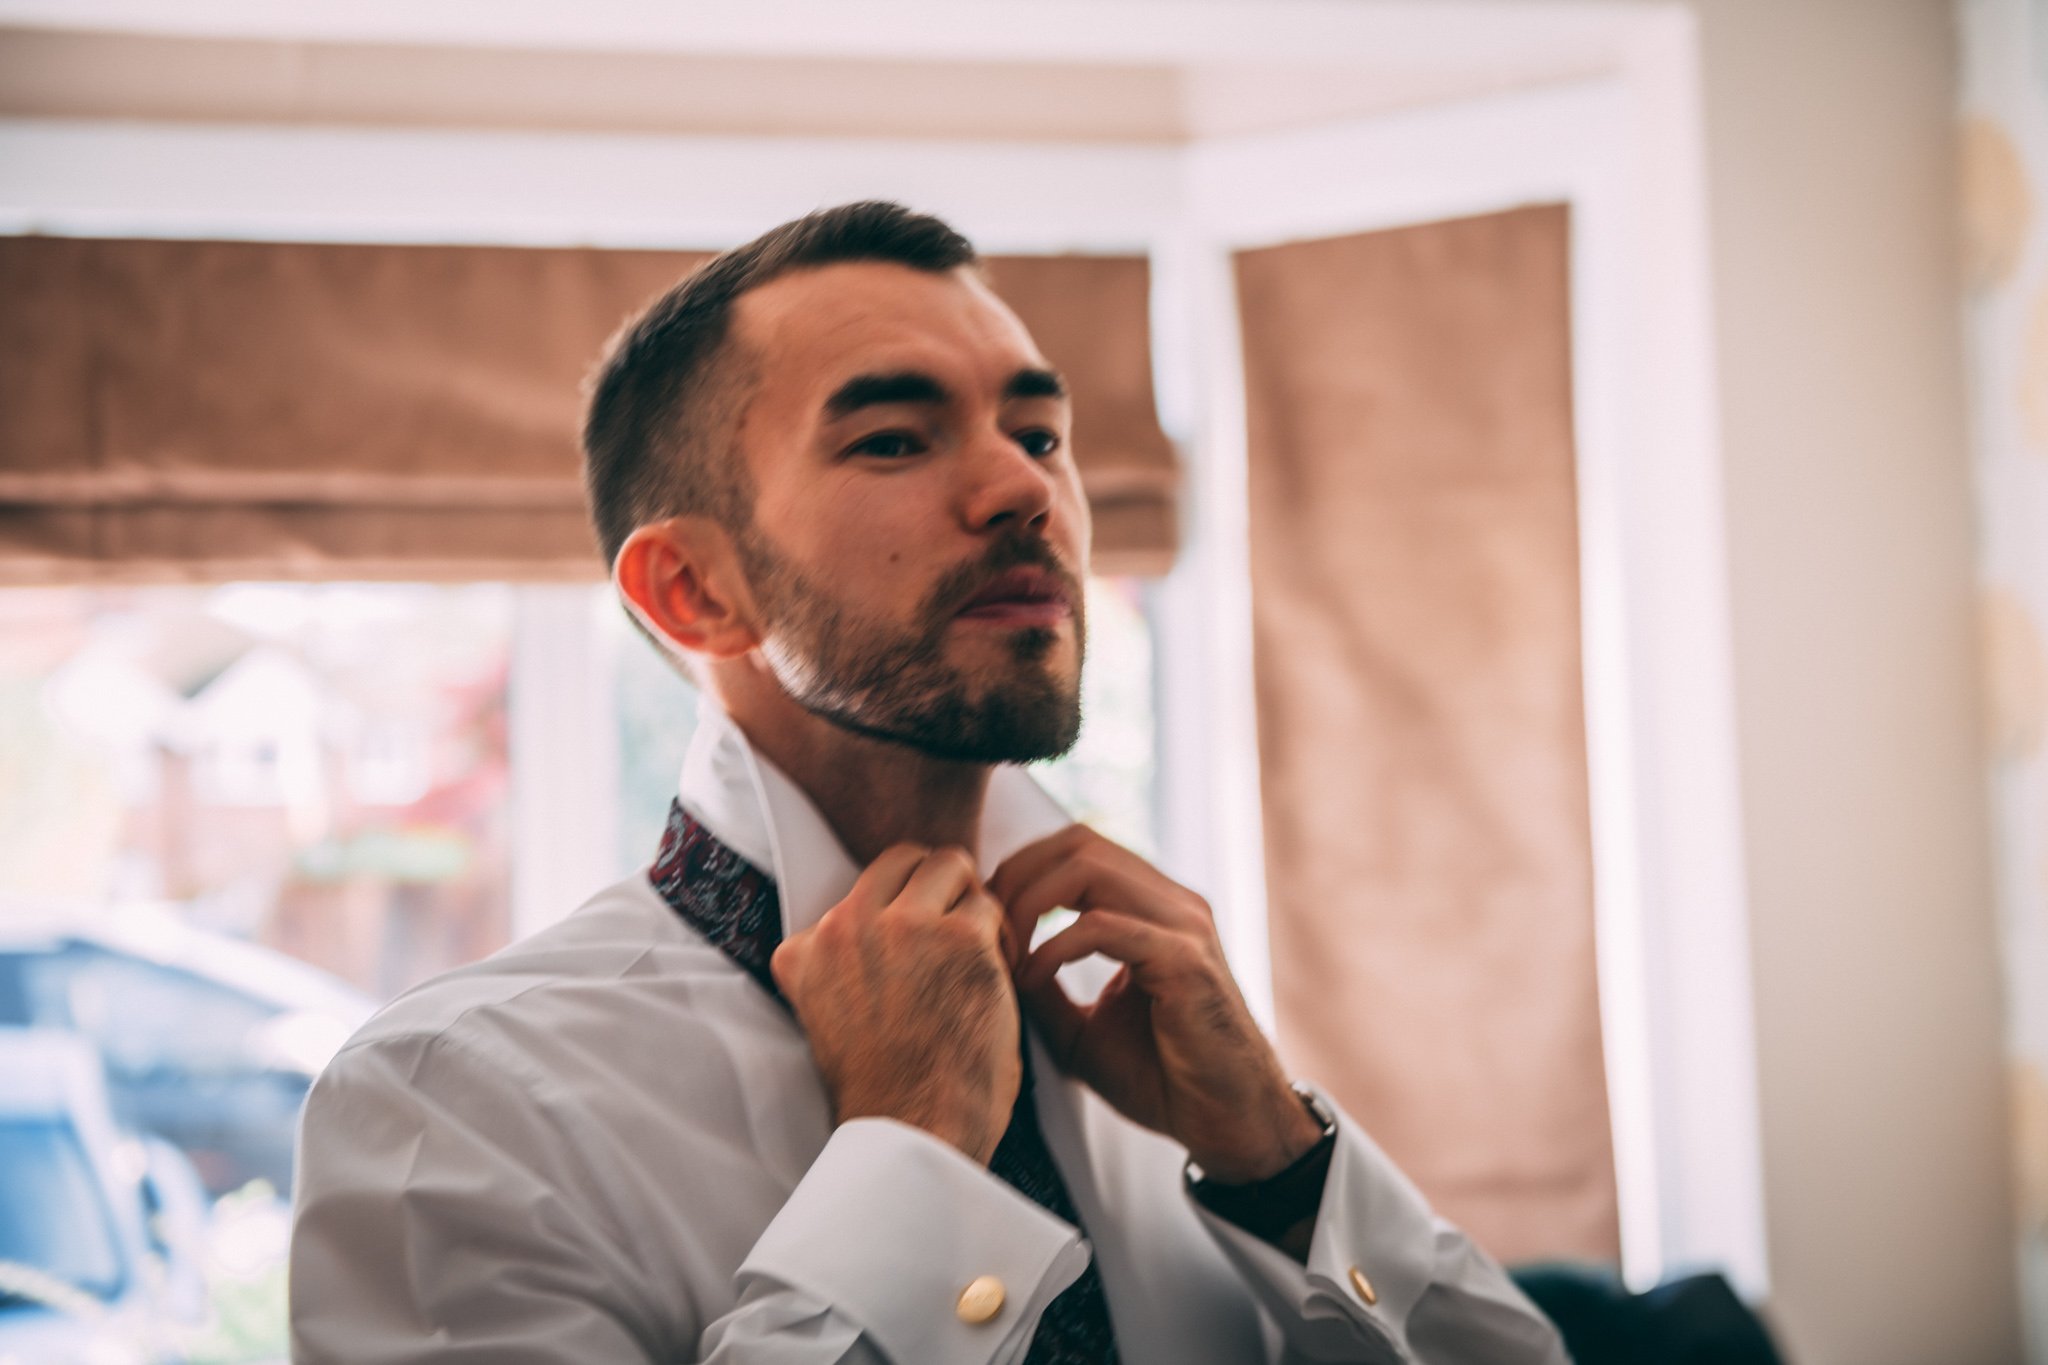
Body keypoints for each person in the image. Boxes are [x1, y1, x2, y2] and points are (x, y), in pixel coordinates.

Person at [289, 201, 1567, 1365]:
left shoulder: (1153, 1037)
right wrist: (905, 1165)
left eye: (1040, 433)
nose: (1025, 488)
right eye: (894, 440)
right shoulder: (458, 1106)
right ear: (695, 591)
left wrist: (1284, 1170)